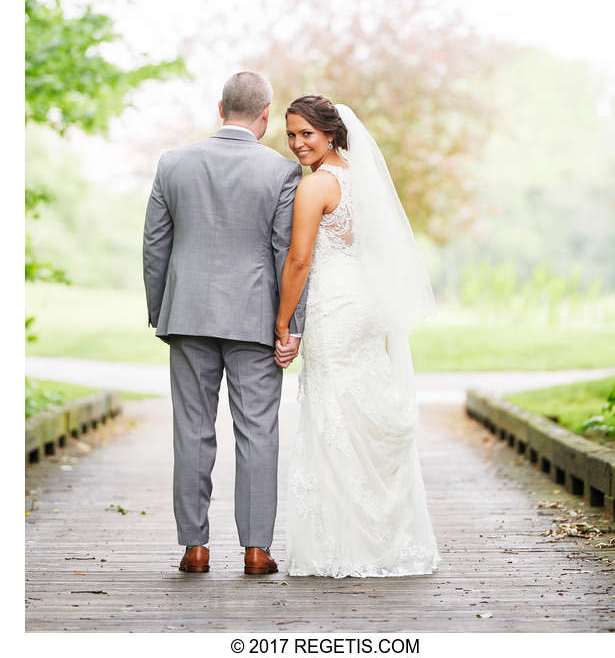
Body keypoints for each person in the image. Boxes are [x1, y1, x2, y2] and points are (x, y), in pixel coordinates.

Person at [143, 71, 306, 576]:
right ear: (264, 114)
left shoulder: (174, 163)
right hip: (256, 317)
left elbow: (155, 246)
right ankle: (257, 550)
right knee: (258, 432)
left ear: (220, 108)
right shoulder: (282, 172)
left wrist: (160, 310)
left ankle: (195, 547)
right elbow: (287, 252)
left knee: (191, 430)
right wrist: (290, 325)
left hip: (188, 313)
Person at [274, 95, 441, 577]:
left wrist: (283, 323)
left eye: (307, 133)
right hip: (368, 304)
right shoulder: (362, 179)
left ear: (331, 132)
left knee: (334, 415)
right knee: (363, 410)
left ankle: (345, 546)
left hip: (335, 307)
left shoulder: (317, 186)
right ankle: (384, 539)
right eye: (290, 134)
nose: (298, 143)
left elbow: (300, 260)